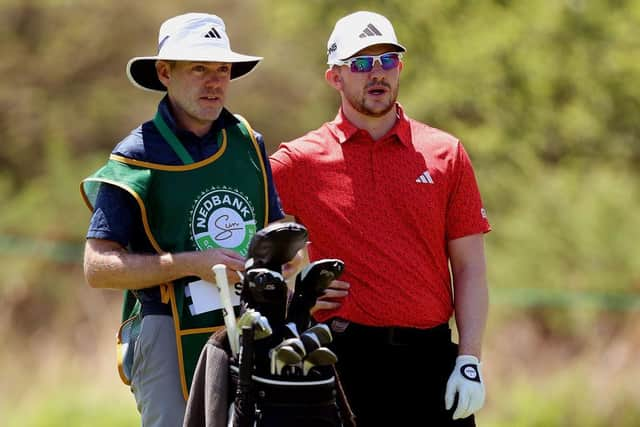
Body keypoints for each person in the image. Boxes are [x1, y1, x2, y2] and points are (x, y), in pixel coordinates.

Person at [270, 10, 491, 426]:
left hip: (431, 362)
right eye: (361, 64)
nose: (377, 74)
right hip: (340, 360)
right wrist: (294, 297)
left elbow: (470, 268)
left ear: (400, 68)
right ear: (335, 77)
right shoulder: (298, 161)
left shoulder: (445, 154)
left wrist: (470, 359)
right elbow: (249, 255)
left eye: (387, 61)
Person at [80, 13, 286, 427]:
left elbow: (272, 233)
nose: (214, 81)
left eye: (222, 69)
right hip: (165, 327)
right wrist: (189, 264)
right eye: (199, 68)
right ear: (164, 73)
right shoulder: (135, 156)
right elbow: (97, 267)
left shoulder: (249, 141)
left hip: (248, 325)